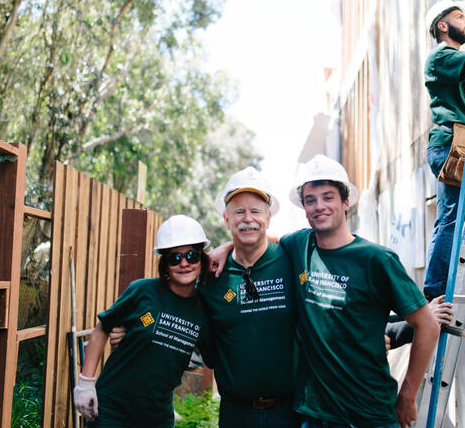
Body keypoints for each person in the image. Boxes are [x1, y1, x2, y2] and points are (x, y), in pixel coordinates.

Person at [279, 154, 441, 428]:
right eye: (311, 200)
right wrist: (225, 249)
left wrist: (408, 394)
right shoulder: (299, 245)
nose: (319, 206)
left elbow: (428, 325)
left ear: (346, 202)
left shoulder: (376, 260)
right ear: (304, 208)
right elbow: (258, 244)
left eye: (328, 197)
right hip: (316, 416)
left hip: (370, 415)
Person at [73, 215, 212, 427]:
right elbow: (103, 327)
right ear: (165, 263)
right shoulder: (142, 291)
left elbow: (214, 355)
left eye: (192, 256)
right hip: (113, 409)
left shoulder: (204, 309)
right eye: (175, 258)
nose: (184, 263)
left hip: (157, 416)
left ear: (201, 259)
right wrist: (86, 384)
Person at [201, 167, 300, 428]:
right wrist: (126, 326)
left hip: (290, 412)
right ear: (226, 218)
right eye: (239, 212)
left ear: (268, 217)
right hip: (236, 414)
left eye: (255, 211)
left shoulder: (293, 262)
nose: (248, 219)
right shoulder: (212, 276)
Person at [422, 0, 465, 300]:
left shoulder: (460, 65)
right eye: (460, 17)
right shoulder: (441, 57)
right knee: (451, 221)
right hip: (452, 145)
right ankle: (437, 296)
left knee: (457, 221)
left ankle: (449, 294)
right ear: (442, 25)